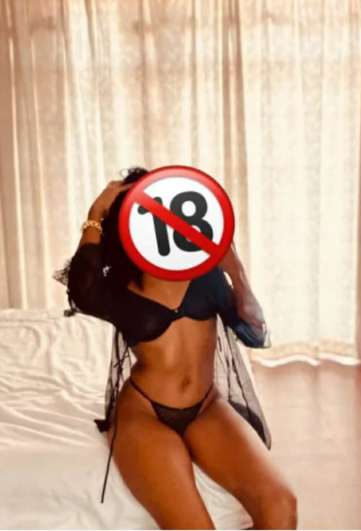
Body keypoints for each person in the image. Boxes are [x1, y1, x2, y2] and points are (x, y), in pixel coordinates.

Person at [54, 167, 298, 530]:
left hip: (206, 408)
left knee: (281, 504)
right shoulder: (119, 286)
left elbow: (253, 330)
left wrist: (235, 269)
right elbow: (80, 289)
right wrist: (95, 213)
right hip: (145, 415)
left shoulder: (204, 270)